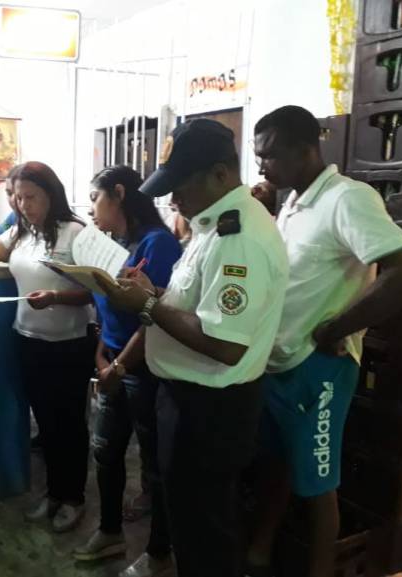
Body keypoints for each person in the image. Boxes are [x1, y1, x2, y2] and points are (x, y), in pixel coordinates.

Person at [96, 119, 289, 577]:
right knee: (191, 526)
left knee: (206, 535)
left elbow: (224, 344)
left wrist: (146, 304)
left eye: (180, 187)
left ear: (220, 174)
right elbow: (196, 307)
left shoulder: (238, 239)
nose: (173, 200)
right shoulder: (212, 227)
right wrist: (154, 293)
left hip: (209, 410)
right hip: (187, 402)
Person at [245, 105, 402, 577]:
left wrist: (336, 328)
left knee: (317, 483)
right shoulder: (293, 203)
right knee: (278, 465)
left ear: (307, 149)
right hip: (278, 362)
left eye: (271, 155)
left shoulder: (348, 198)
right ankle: (259, 552)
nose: (262, 165)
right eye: (258, 155)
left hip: (318, 367)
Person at [71, 165, 181, 577]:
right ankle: (110, 531)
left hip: (145, 366)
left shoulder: (157, 244)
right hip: (114, 360)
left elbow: (154, 317)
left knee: (155, 465)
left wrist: (118, 366)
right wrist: (102, 354)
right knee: (106, 450)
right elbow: (106, 306)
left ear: (118, 193)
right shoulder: (113, 244)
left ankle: (159, 552)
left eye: (95, 198)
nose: (91, 208)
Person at [0, 161, 95, 533]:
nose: (23, 204)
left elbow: (101, 289)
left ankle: (73, 497)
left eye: (30, 196)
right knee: (45, 423)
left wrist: (58, 297)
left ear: (51, 194)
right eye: (17, 197)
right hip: (28, 340)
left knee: (70, 424)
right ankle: (53, 492)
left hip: (69, 344)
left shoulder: (76, 232)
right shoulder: (21, 232)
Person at [0, 165, 20, 236]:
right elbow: (0, 230)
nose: (13, 199)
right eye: (9, 193)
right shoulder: (14, 216)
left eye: (19, 194)